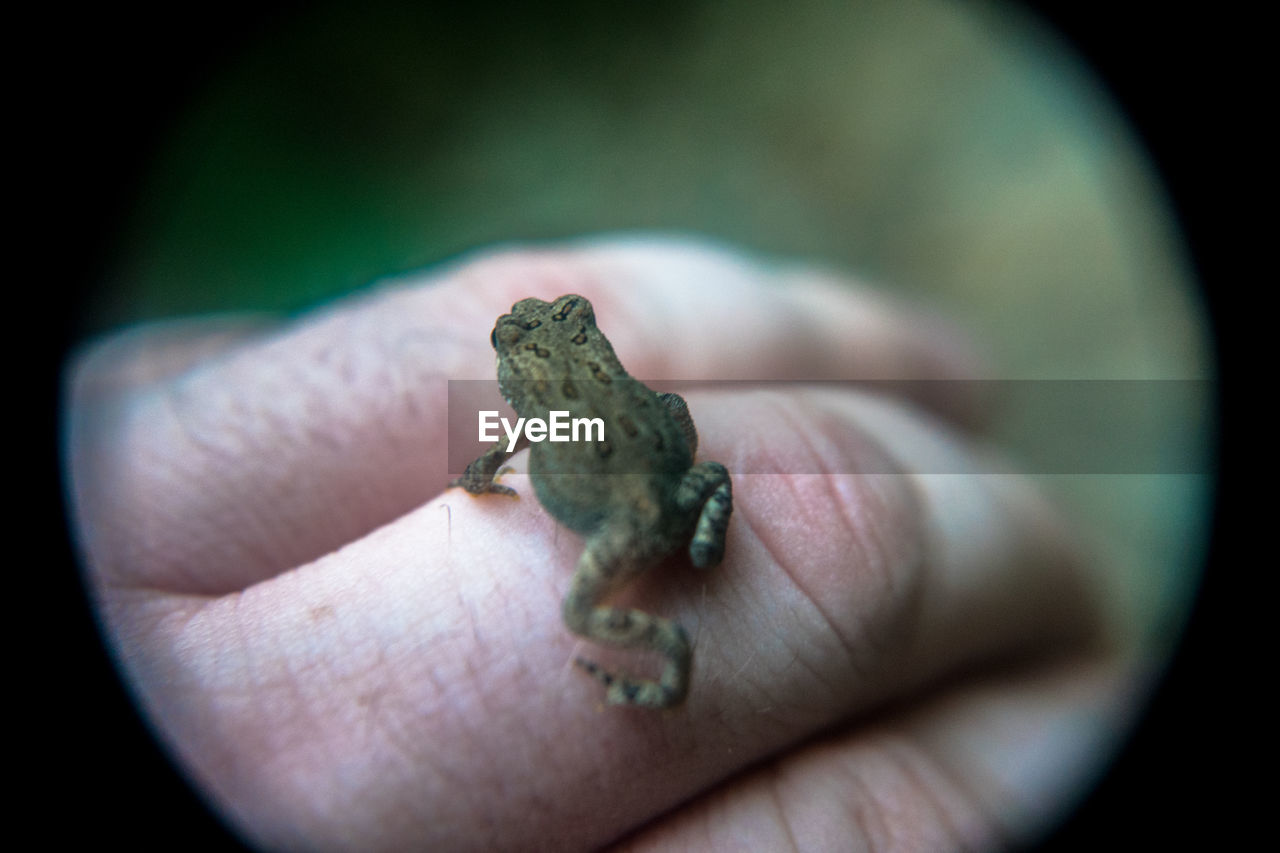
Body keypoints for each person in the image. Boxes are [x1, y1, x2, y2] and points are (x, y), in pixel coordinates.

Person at [64, 238, 1125, 850]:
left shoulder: (535, 420)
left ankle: (658, 665)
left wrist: (476, 480)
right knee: (690, 477)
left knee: (577, 609)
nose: (534, 330)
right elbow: (662, 428)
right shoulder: (580, 405)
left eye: (551, 321)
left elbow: (483, 471)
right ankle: (669, 642)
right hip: (673, 491)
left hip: (621, 519)